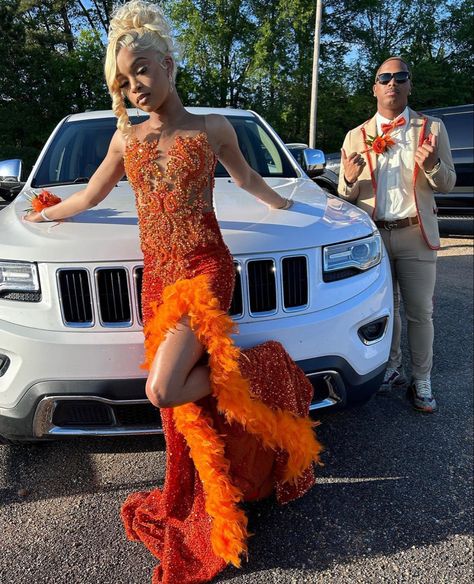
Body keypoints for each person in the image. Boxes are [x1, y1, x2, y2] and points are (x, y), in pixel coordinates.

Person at [24, 1, 322, 582]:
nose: (133, 85)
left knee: (163, 389)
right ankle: (223, 479)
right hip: (157, 281)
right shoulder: (123, 142)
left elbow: (247, 179)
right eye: (121, 79)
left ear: (166, 64)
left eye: (140, 70)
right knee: (181, 407)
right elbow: (87, 196)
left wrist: (287, 204)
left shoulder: (212, 129)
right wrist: (46, 212)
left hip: (206, 271)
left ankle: (266, 367)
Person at [338, 56, 456, 414]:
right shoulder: (355, 136)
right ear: (374, 88)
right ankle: (390, 369)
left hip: (415, 233)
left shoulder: (431, 129)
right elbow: (347, 199)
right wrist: (346, 179)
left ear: (409, 85)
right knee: (384, 310)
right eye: (384, 77)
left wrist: (432, 165)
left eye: (400, 76)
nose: (392, 82)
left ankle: (422, 379)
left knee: (420, 312)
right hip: (372, 240)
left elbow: (448, 184)